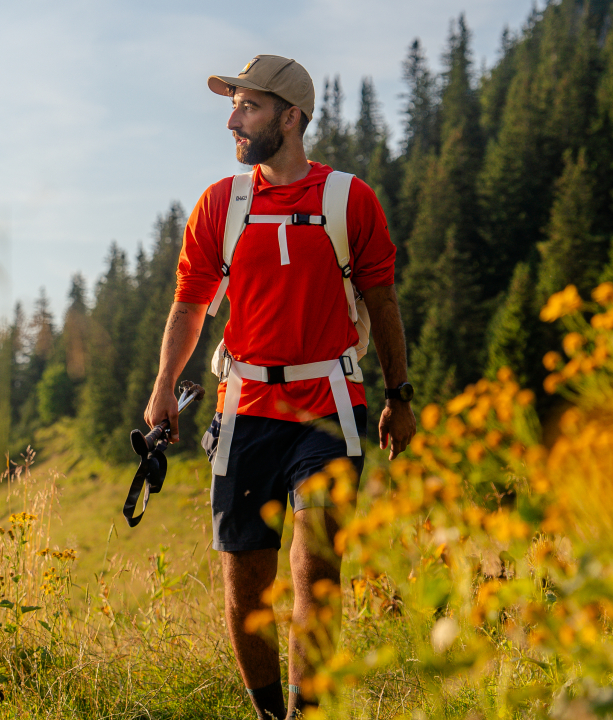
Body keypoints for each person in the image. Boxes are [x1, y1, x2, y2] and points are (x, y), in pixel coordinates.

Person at [141, 54, 416, 720]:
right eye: (233, 107)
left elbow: (382, 302)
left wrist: (399, 396)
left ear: (291, 118)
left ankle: (306, 715)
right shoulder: (220, 205)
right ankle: (270, 716)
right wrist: (163, 387)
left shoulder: (349, 199)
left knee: (315, 573)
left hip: (329, 412)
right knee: (246, 587)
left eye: (249, 107)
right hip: (245, 412)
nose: (233, 121)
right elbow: (190, 304)